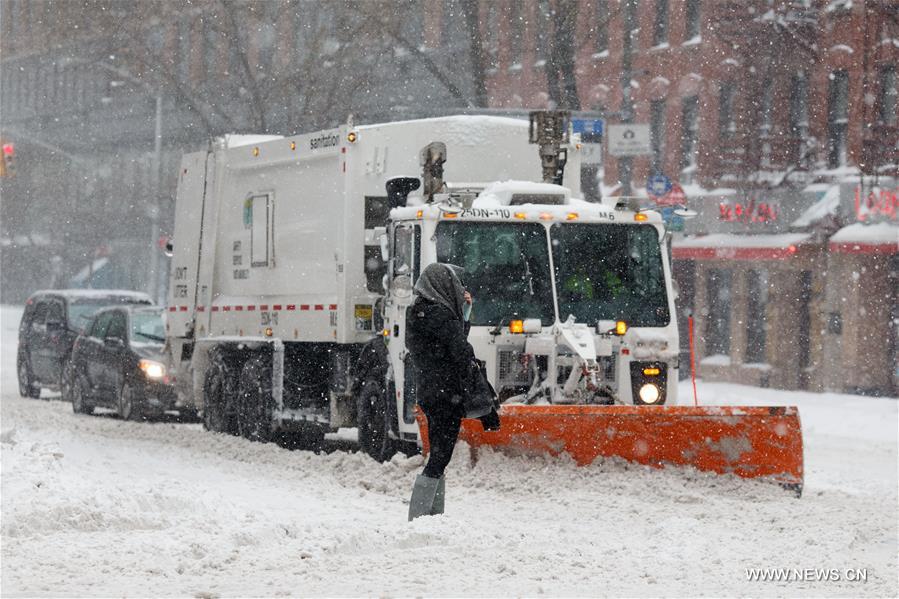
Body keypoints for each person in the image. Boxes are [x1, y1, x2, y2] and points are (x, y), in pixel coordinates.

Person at [405, 262, 482, 521]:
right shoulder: (440, 315)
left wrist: (463, 314)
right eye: (455, 285)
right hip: (446, 392)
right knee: (440, 456)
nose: (459, 289)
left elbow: (450, 343)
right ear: (442, 286)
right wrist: (464, 314)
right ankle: (421, 515)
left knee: (439, 454)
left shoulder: (418, 312)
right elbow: (460, 348)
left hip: (431, 391)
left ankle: (429, 516)